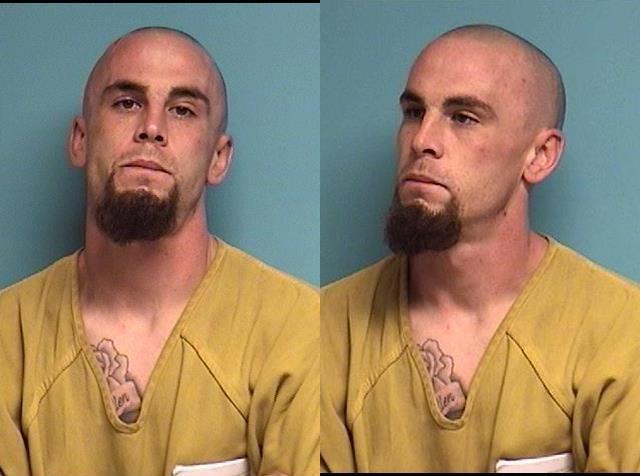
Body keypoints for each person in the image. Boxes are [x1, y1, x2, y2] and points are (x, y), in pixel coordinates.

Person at [320, 24, 640, 473]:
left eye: (463, 117)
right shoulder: (327, 327)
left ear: (540, 156)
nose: (422, 140)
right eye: (413, 112)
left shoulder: (622, 331)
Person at [0, 26, 318, 476]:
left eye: (183, 110)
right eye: (127, 103)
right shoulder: (9, 336)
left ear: (218, 158)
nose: (151, 129)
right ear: (80, 139)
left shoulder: (297, 328)